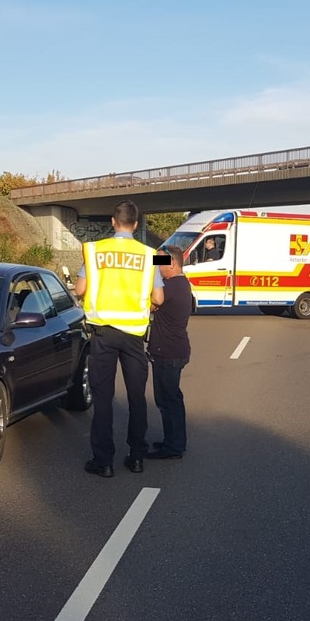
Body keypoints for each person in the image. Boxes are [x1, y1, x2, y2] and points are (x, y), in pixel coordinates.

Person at [73, 200, 165, 478]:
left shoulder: (93, 250)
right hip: (135, 336)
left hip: (103, 334)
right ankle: (136, 457)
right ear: (136, 225)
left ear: (113, 222)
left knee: (103, 398)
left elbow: (79, 289)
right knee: (137, 398)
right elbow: (159, 297)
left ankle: (104, 462)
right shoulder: (152, 254)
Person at [145, 245, 192, 460]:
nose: (157, 267)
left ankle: (173, 447)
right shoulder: (181, 284)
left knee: (167, 400)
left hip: (168, 352)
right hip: (173, 349)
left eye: (159, 263)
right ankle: (173, 441)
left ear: (172, 263)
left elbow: (152, 303)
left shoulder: (171, 286)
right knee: (172, 398)